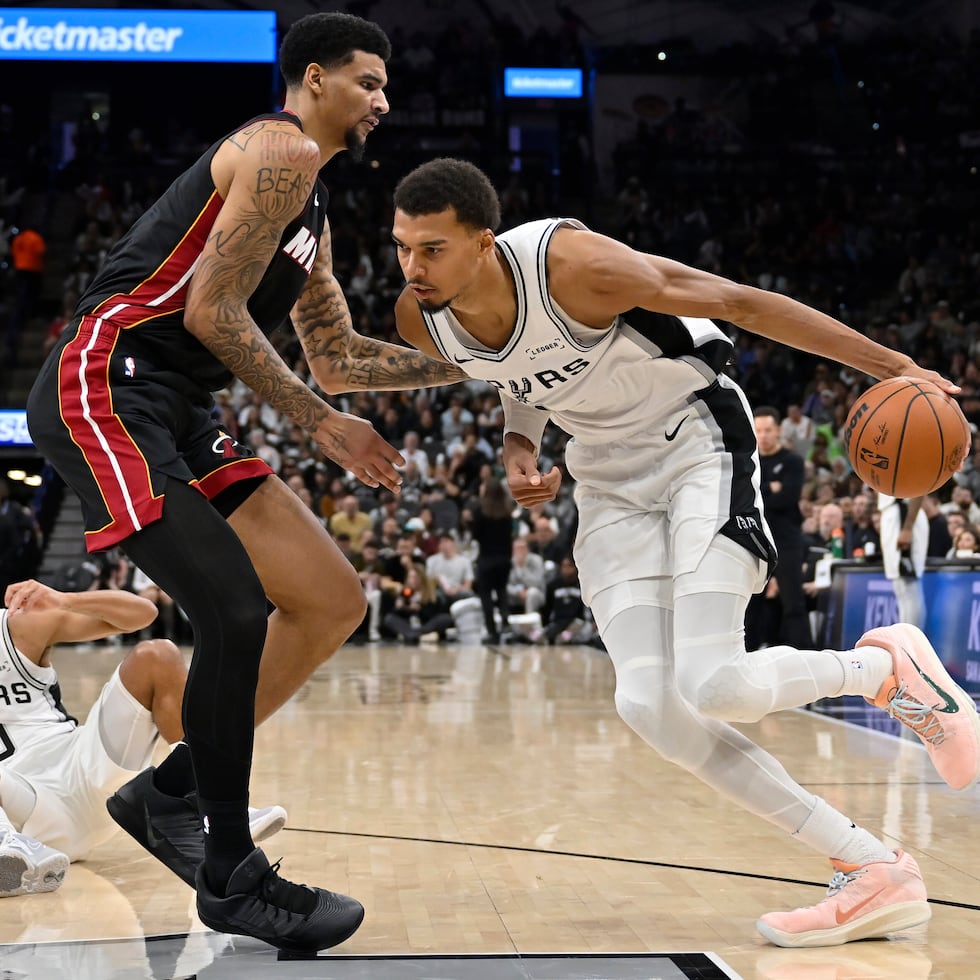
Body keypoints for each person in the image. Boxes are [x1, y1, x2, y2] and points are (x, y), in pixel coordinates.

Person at [388, 158, 980, 948]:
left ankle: (884, 670)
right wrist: (517, 445)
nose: (411, 267)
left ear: (486, 243)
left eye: (430, 249)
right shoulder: (420, 314)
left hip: (697, 441)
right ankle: (872, 869)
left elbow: (740, 302)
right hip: (605, 479)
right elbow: (516, 373)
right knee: (649, 705)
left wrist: (895, 366)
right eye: (401, 247)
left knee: (713, 682)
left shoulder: (577, 265)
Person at [24, 15, 465, 954]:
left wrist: (484, 366)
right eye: (368, 81)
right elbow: (209, 309)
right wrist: (317, 422)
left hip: (177, 404)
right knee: (231, 608)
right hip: (109, 380)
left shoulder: (313, 211)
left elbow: (338, 357)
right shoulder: (278, 149)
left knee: (329, 598)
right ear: (313, 78)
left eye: (387, 86)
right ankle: (231, 873)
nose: (384, 101)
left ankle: (173, 789)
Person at [0, 580, 286, 898]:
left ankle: (211, 805)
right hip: (20, 810)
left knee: (157, 655)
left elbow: (142, 614)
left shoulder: (14, 628)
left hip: (83, 770)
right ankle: (9, 850)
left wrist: (66, 599)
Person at [746, 407, 813, 650]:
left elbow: (787, 497)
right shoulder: (747, 461)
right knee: (751, 604)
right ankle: (747, 659)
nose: (762, 436)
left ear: (777, 431)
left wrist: (760, 492)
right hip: (755, 540)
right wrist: (770, 488)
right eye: (758, 431)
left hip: (786, 540)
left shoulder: (792, 460)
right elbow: (743, 498)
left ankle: (806, 659)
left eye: (767, 430)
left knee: (793, 603)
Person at [469, 476, 514, 644]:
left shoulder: (480, 511)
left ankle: (492, 632)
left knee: (486, 596)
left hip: (486, 559)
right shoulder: (507, 512)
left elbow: (476, 536)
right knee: (502, 591)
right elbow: (510, 538)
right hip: (504, 559)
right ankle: (505, 621)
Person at [877, 495, 928, 628]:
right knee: (900, 587)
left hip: (904, 516)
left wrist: (907, 528)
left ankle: (912, 642)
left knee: (909, 585)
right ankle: (905, 640)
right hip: (893, 515)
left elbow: (919, 489)